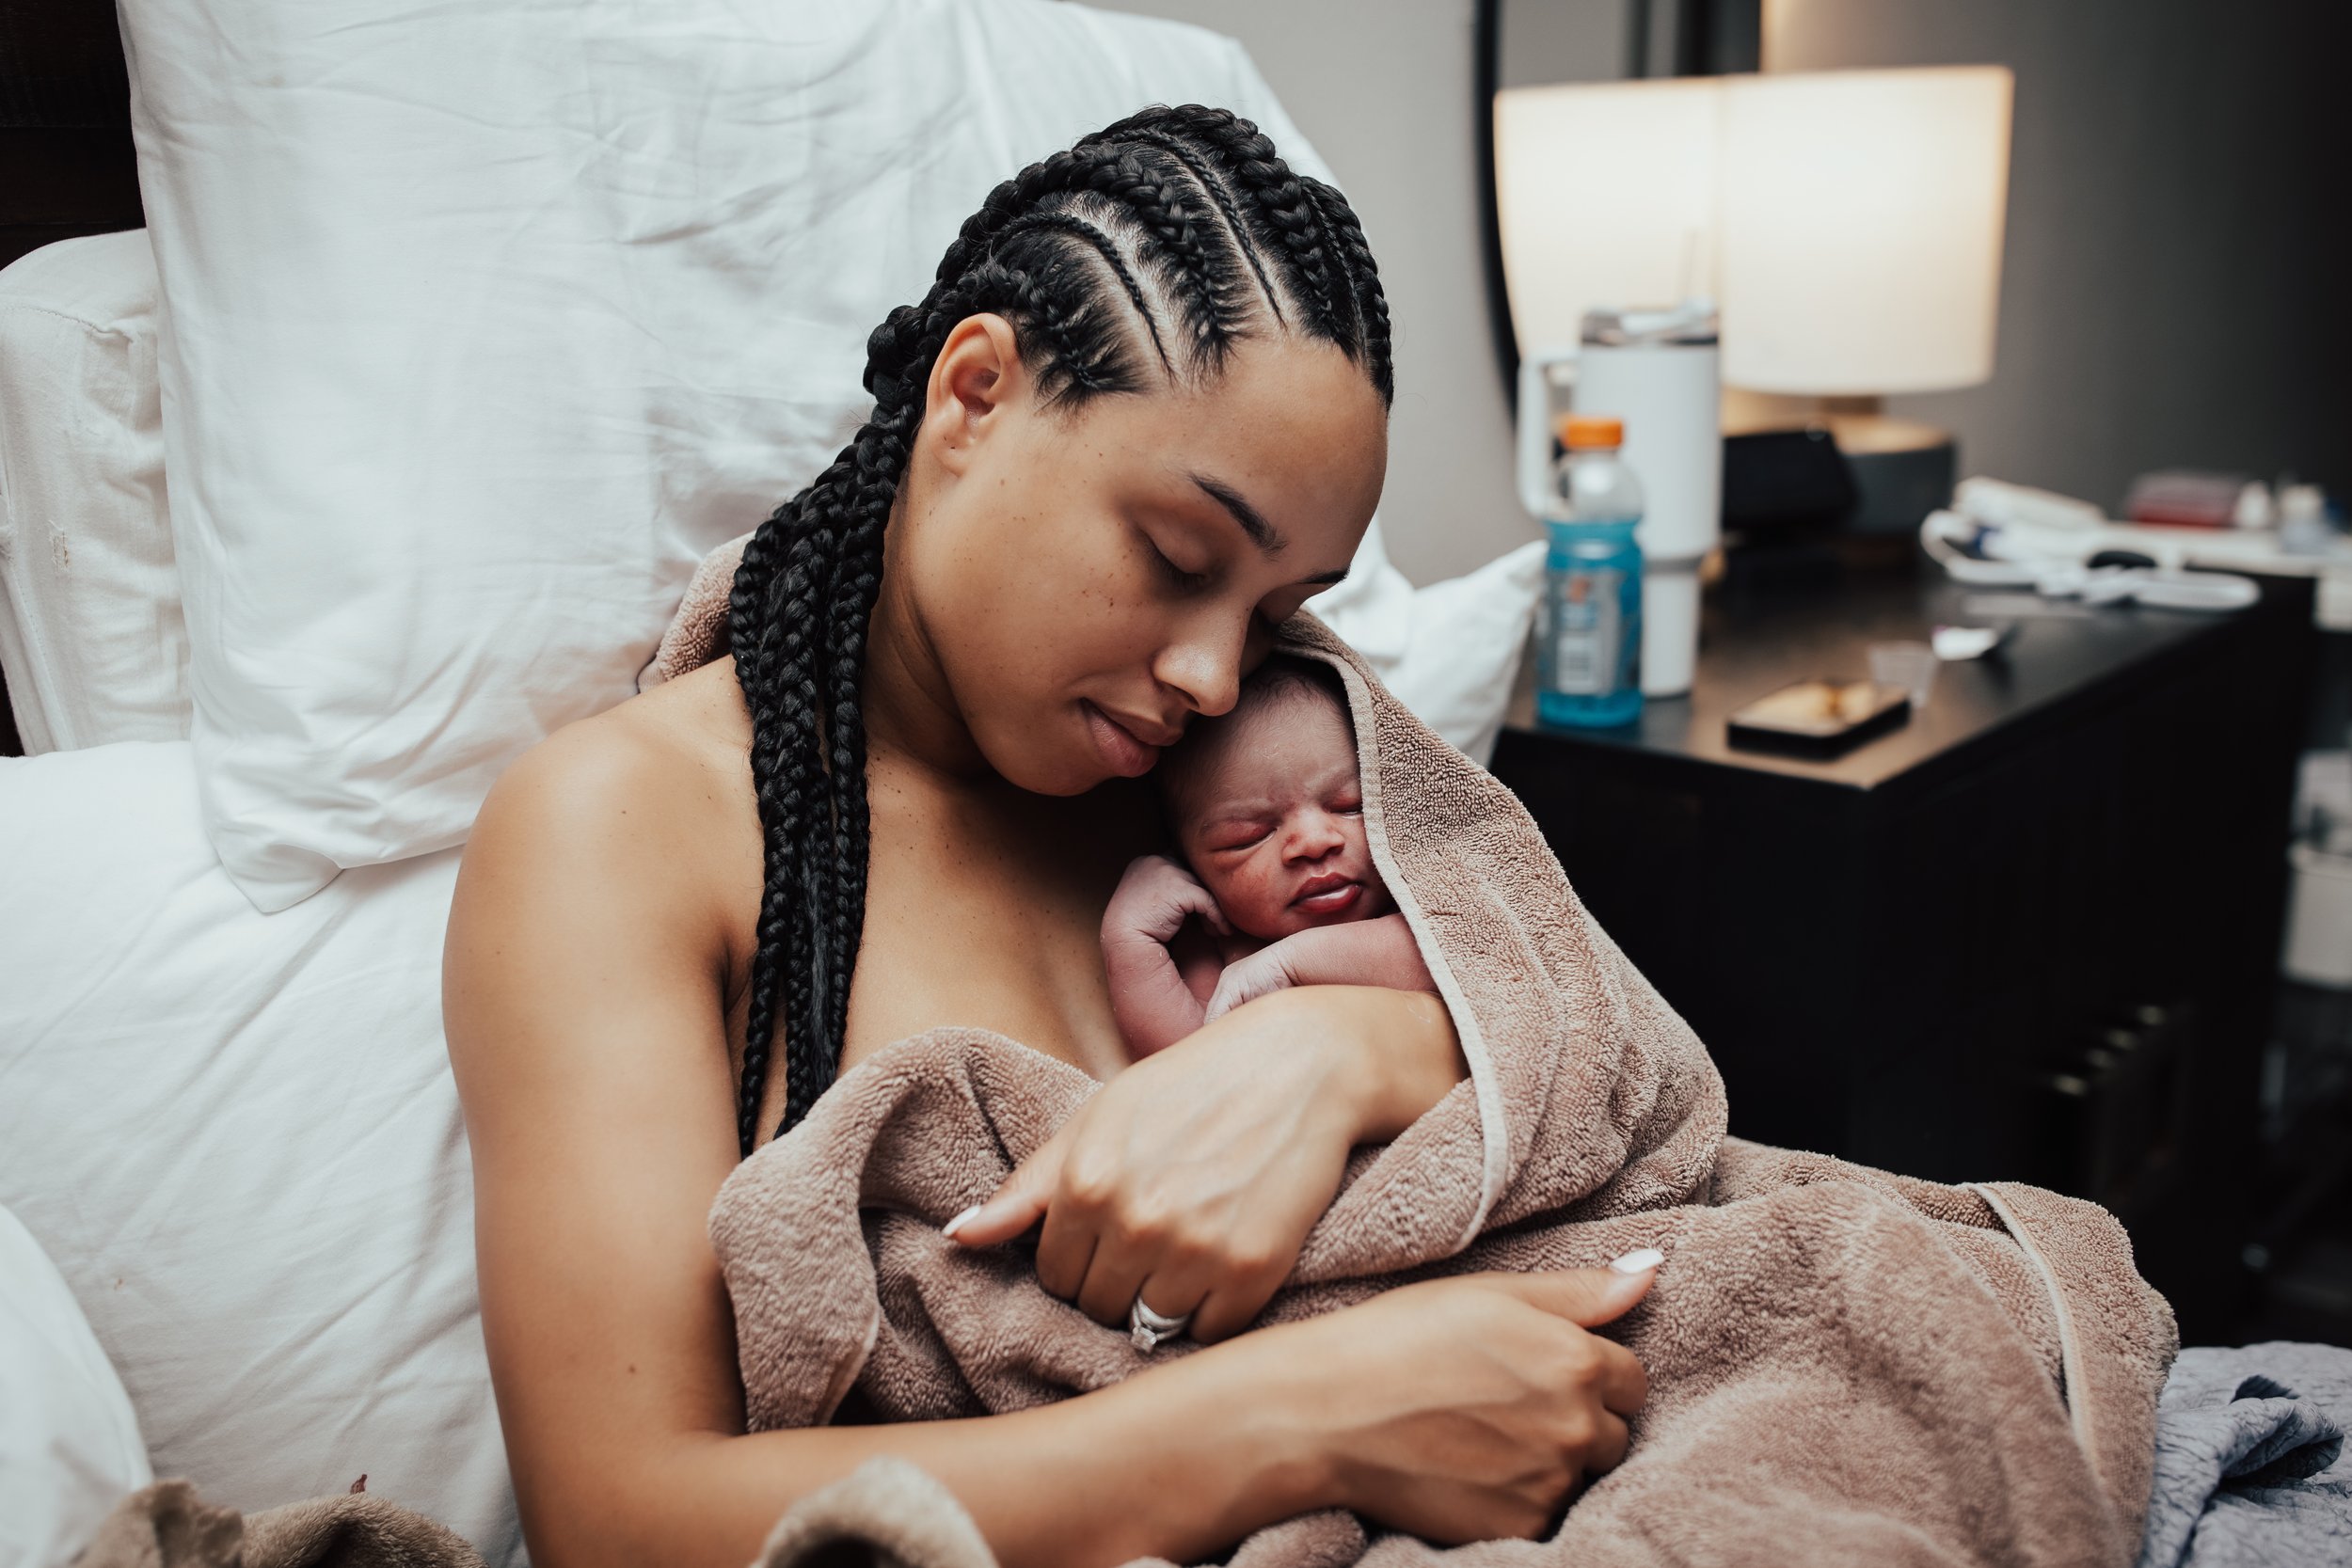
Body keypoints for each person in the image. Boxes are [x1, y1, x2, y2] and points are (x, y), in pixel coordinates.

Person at [443, 105, 1654, 1568]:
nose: (1217, 673)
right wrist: (1308, 1413)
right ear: (975, 395)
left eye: (1270, 609)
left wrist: (1338, 1050)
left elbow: (1600, 1040)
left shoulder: (1228, 764)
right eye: (1176, 557)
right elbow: (617, 1520)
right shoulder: (627, 826)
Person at [1101, 657, 1434, 1059]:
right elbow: (1185, 1069)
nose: (1313, 842)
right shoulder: (1219, 948)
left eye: (1351, 805)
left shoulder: (1413, 908)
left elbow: (1457, 958)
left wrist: (1290, 963)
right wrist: (1130, 941)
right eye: (1249, 837)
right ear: (1190, 865)